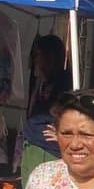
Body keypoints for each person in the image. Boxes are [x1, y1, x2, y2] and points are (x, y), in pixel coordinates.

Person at [20, 36, 72, 180]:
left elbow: (71, 111)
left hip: (46, 149)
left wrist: (63, 132)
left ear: (50, 56)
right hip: (33, 142)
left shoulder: (64, 81)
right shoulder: (43, 80)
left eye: (39, 55)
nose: (36, 60)